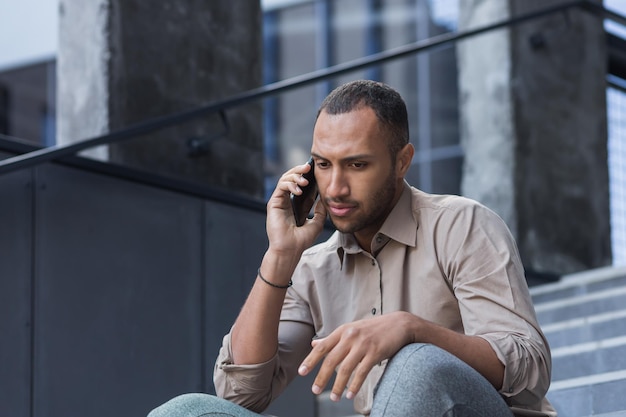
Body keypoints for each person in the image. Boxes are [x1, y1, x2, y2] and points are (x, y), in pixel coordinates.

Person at [148, 80, 556, 416]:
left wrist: (410, 329)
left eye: (357, 165)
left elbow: (529, 364)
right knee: (186, 412)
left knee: (417, 364)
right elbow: (241, 397)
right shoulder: (312, 267)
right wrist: (280, 255)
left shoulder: (462, 224)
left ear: (402, 161)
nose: (335, 187)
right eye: (323, 165)